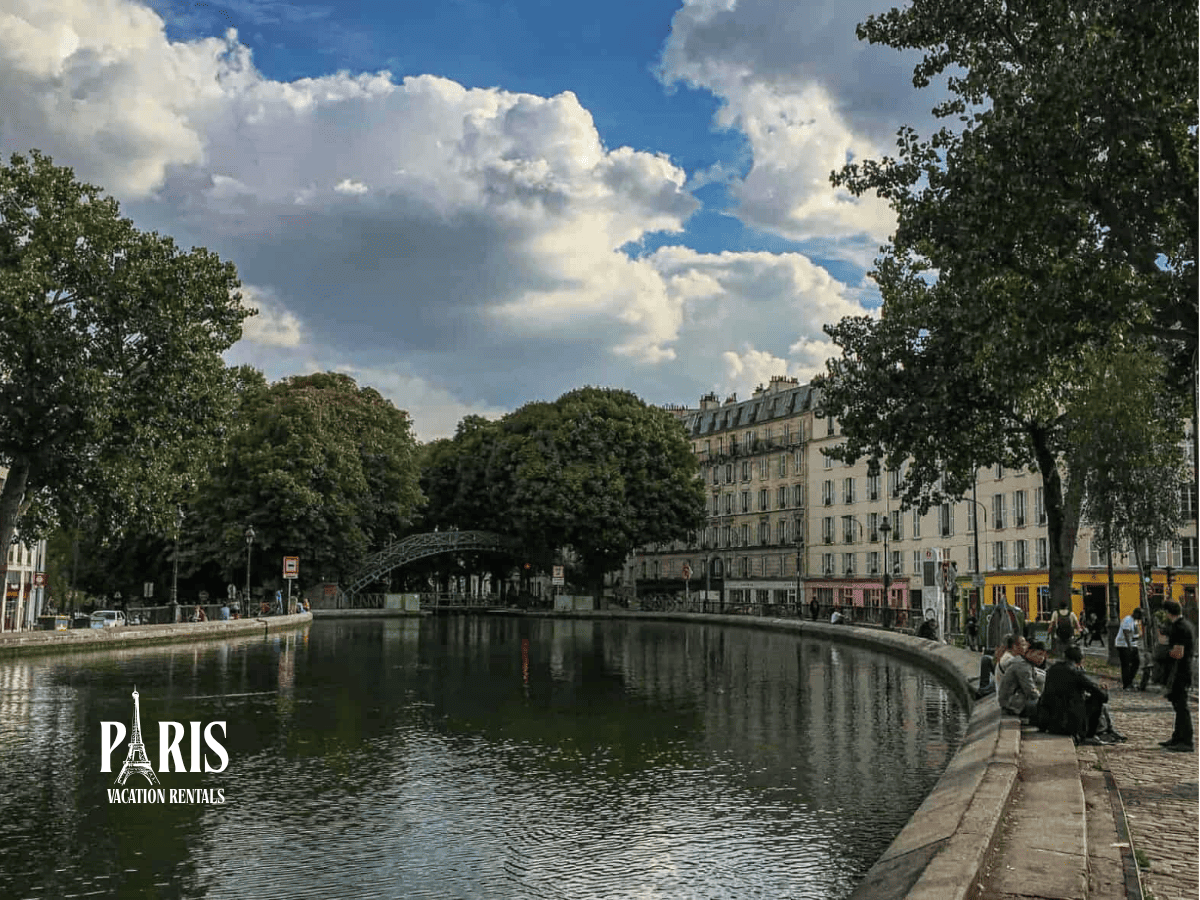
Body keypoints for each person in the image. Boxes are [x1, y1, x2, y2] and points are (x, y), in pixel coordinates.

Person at [1037, 644, 1110, 745]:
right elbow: (1102, 696)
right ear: (1080, 661)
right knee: (1096, 699)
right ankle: (1089, 734)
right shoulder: (1076, 673)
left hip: (1049, 722)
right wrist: (1103, 690)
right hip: (1069, 724)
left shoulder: (1052, 670)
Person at [1159, 600, 1195, 753]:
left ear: (1168, 613)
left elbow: (1178, 653)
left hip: (1179, 671)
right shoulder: (1184, 624)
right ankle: (1178, 736)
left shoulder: (1180, 628)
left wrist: (1163, 653)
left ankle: (1186, 740)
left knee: (1181, 706)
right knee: (1178, 705)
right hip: (1180, 671)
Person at [998, 640, 1046, 719]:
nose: (1042, 658)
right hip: (1012, 704)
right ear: (1030, 652)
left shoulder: (1024, 662)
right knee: (1046, 707)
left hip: (1012, 701)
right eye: (1039, 654)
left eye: (1043, 656)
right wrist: (1043, 699)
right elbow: (1030, 690)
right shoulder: (1022, 666)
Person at [1115, 607, 1144, 690]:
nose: (1140, 618)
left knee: (1136, 662)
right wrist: (1129, 646)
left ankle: (1130, 681)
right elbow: (1126, 632)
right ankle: (1126, 684)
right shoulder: (1128, 619)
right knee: (1126, 665)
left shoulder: (1134, 621)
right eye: (1140, 616)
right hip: (1124, 645)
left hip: (1132, 644)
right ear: (1136, 614)